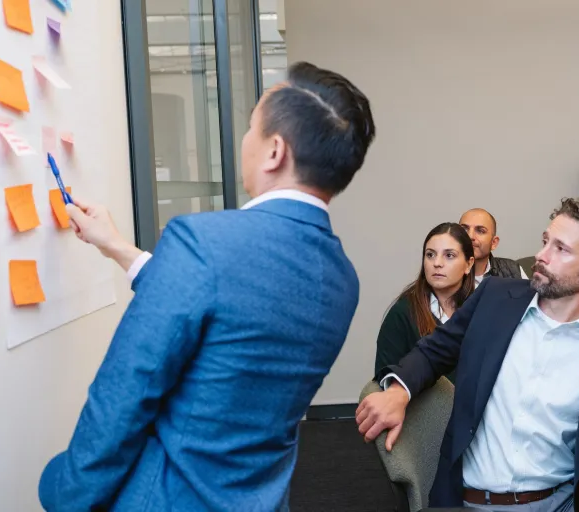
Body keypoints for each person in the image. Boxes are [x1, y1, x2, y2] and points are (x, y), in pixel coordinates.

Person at [38, 62, 376, 512]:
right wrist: (118, 247)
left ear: (275, 151)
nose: (244, 140)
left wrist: (65, 491)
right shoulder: (341, 277)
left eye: (251, 126)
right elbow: (231, 320)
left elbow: (125, 392)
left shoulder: (203, 242)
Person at [357, 197, 579, 512]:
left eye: (560, 249)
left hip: (558, 504)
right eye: (545, 241)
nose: (541, 256)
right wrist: (399, 390)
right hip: (464, 502)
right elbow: (434, 351)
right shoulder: (493, 299)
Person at [375, 223, 475, 384]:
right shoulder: (403, 312)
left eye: (449, 255)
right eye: (430, 255)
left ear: (468, 264)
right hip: (421, 408)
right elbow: (384, 380)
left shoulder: (480, 309)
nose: (437, 263)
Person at [459, 208, 527, 285]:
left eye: (480, 231)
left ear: (493, 243)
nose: (470, 236)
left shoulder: (513, 269)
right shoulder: (445, 272)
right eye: (464, 229)